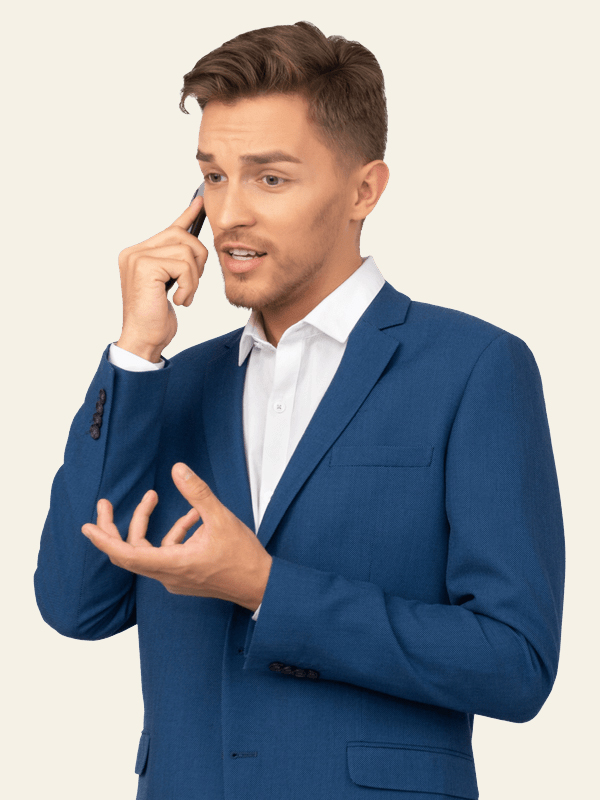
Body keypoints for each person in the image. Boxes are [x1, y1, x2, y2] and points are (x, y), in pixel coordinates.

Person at [34, 20, 565, 800]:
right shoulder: (169, 385)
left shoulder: (475, 368)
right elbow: (76, 604)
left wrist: (266, 587)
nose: (230, 215)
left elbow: (515, 663)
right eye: (213, 177)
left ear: (364, 190)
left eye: (269, 179)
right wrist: (135, 353)